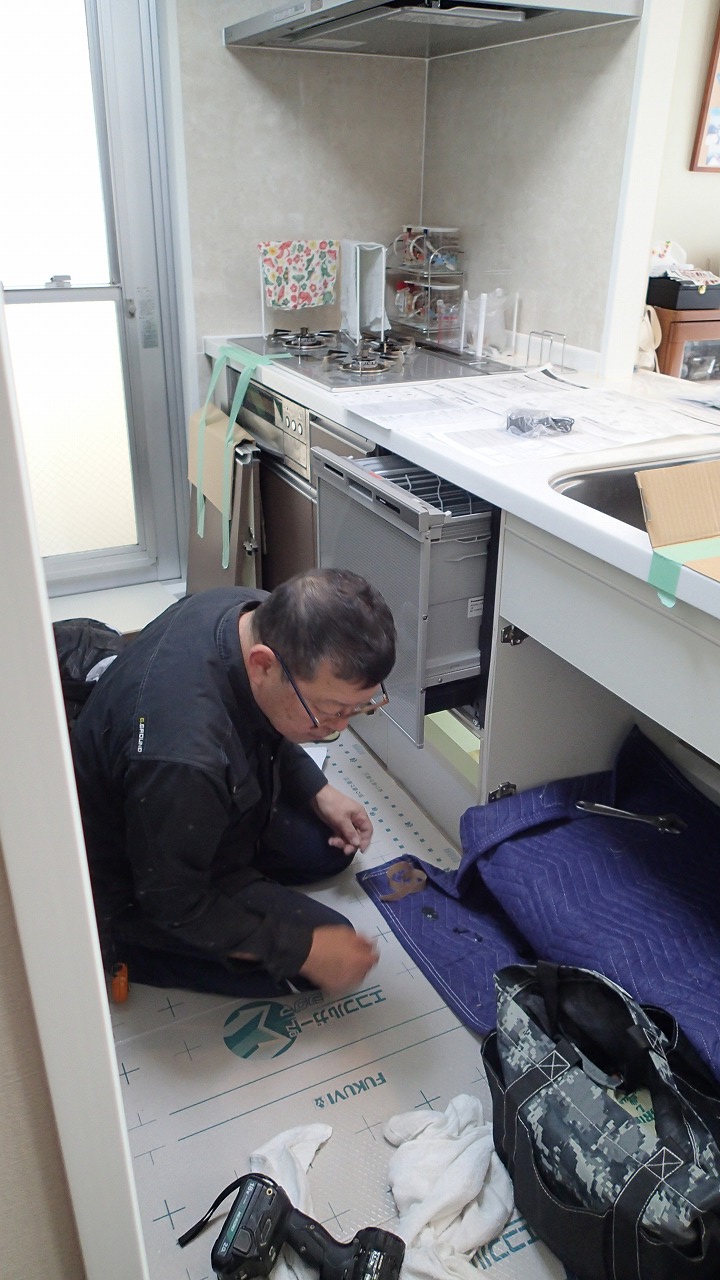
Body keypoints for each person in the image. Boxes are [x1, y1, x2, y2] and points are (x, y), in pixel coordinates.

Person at [71, 569, 396, 999]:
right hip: (138, 878)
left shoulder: (250, 612)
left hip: (193, 810)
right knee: (323, 952)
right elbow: (173, 901)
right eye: (331, 710)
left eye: (357, 708)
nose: (340, 726)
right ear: (262, 665)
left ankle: (246, 881)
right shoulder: (185, 758)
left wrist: (318, 790)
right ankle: (126, 945)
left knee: (329, 849)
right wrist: (302, 951)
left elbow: (268, 720)